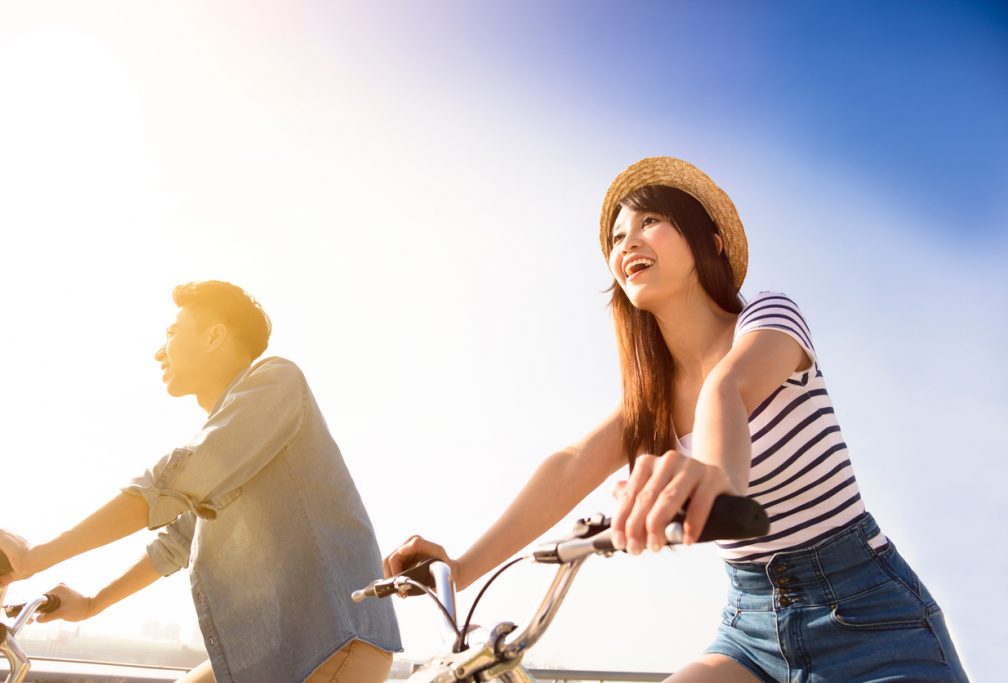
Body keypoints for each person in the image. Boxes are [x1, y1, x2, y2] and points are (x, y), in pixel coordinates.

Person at [385, 158, 968, 682]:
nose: (626, 241)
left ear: (708, 241)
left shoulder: (768, 318)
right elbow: (568, 466)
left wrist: (715, 480)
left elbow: (728, 390)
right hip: (753, 627)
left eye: (649, 222)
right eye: (617, 236)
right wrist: (456, 571)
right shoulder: (652, 404)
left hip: (871, 614)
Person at [0, 280, 401, 683]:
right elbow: (177, 542)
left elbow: (177, 481)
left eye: (172, 331)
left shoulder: (276, 381)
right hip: (280, 655)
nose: (158, 352)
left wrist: (34, 557)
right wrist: (92, 604)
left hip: (329, 645)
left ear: (214, 336)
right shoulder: (238, 445)